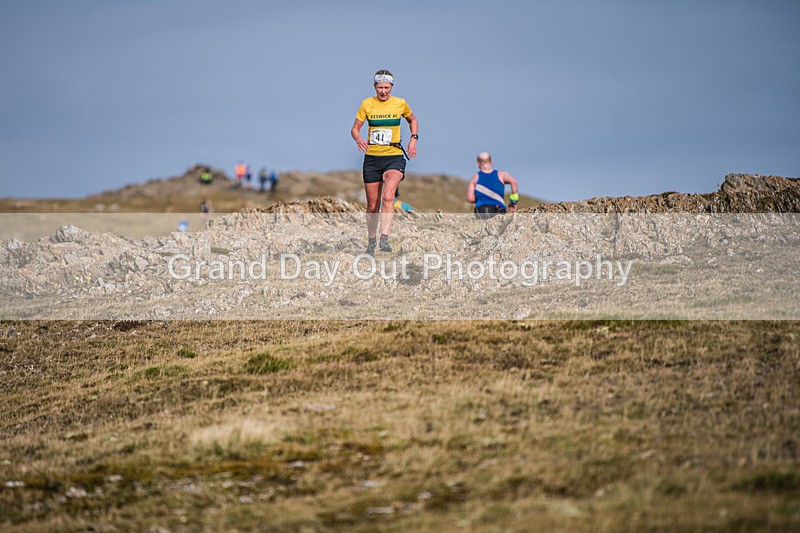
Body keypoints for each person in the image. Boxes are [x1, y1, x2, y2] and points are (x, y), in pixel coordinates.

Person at [351, 69, 418, 255]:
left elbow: (413, 120)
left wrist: (414, 138)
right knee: (372, 206)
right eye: (380, 87)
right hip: (372, 158)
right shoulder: (367, 104)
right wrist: (358, 139)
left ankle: (384, 239)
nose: (383, 91)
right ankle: (371, 241)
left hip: (394, 156)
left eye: (386, 87)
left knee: (388, 197)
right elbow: (355, 128)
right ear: (374, 87)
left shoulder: (400, 103)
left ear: (391, 87)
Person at [467, 152, 519, 218]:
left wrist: (481, 197)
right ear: (491, 161)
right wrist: (513, 202)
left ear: (478, 163)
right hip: (498, 208)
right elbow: (514, 182)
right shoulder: (501, 175)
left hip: (481, 209)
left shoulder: (475, 177)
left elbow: (470, 198)